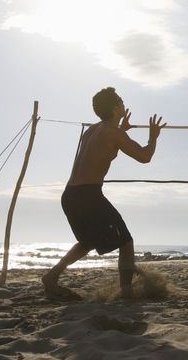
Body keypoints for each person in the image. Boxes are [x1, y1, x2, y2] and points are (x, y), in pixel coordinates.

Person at [42, 87, 166, 299]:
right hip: (88, 195)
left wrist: (122, 128)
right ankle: (126, 293)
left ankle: (51, 277)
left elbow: (104, 144)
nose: (123, 102)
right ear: (116, 107)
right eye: (120, 100)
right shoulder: (113, 132)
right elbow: (145, 157)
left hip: (70, 195)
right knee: (126, 241)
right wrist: (153, 137)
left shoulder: (94, 129)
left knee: (88, 242)